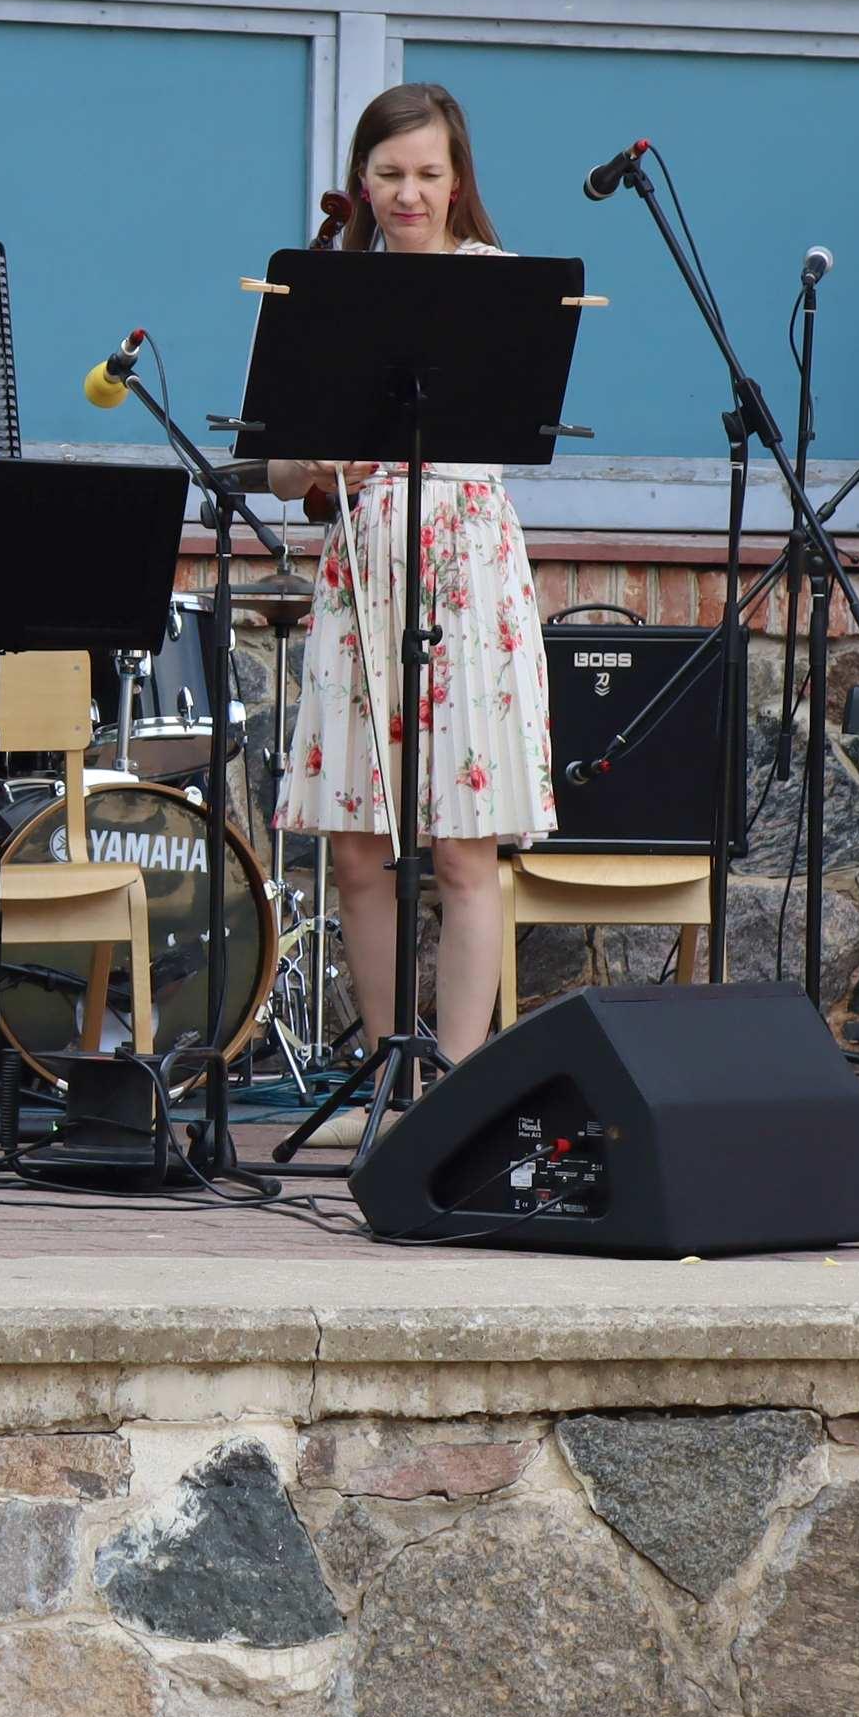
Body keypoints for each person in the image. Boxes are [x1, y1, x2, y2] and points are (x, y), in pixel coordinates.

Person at [265, 84, 558, 1142]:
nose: (409, 194)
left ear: (458, 178)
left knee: (465, 850)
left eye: (429, 173)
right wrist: (320, 458)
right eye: (389, 173)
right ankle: (394, 1086)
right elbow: (283, 472)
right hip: (365, 571)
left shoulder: (497, 286)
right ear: (362, 178)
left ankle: (460, 1093)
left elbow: (516, 425)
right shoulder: (333, 288)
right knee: (358, 848)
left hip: (465, 567)